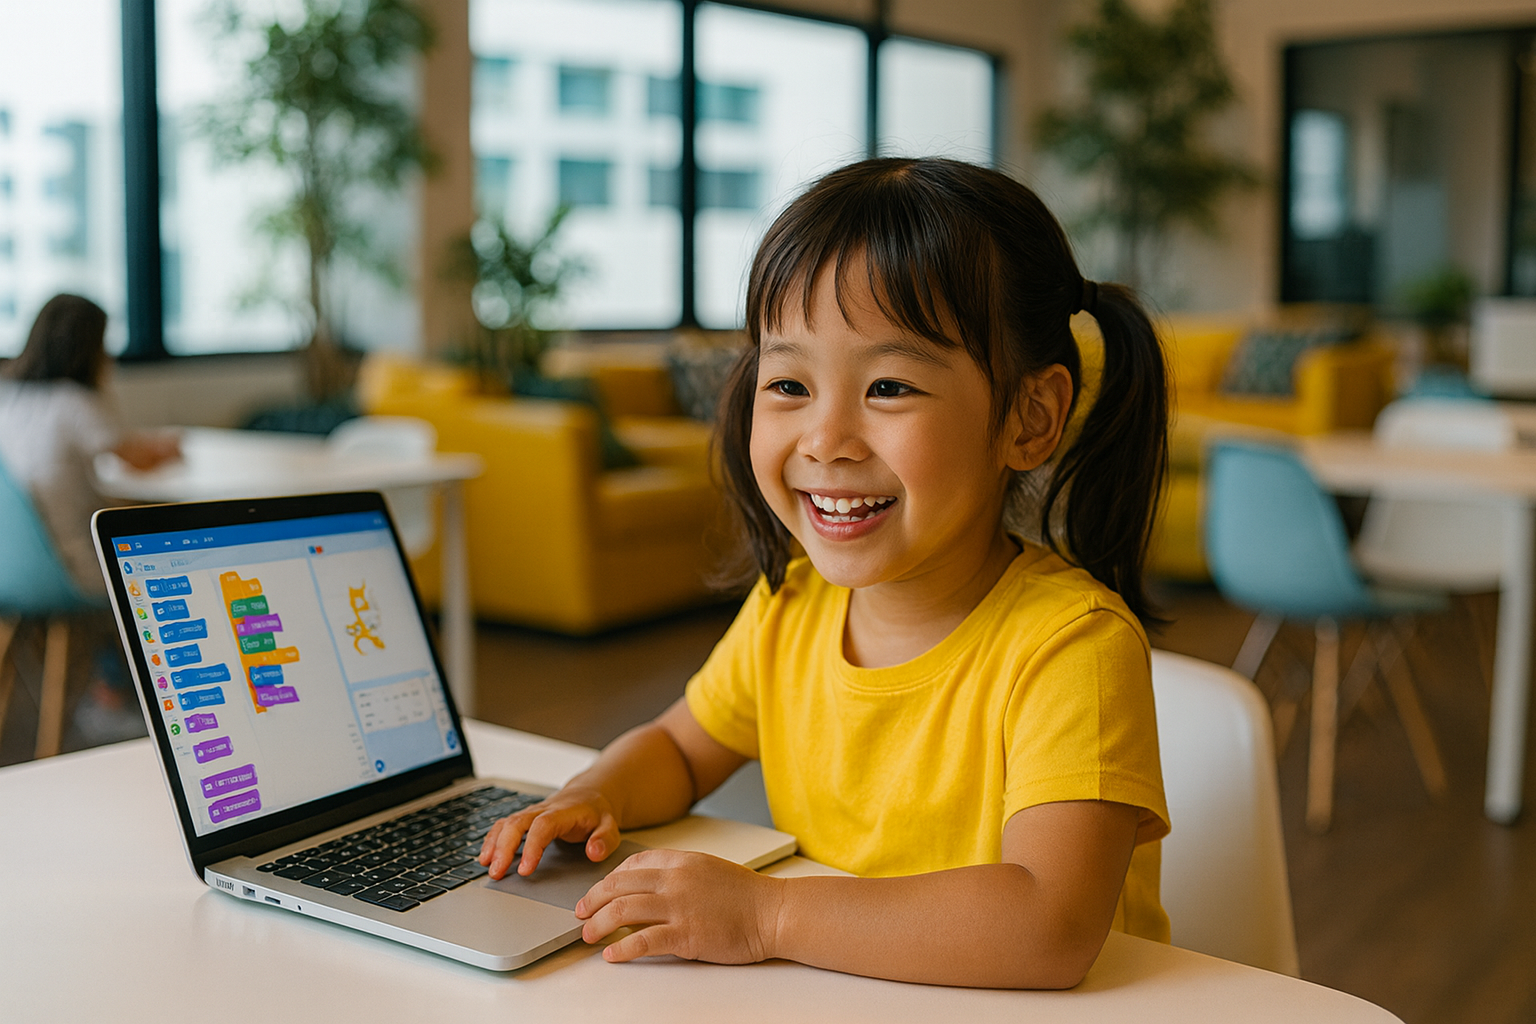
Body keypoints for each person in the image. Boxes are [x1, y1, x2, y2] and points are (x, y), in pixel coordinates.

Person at [478, 158, 1171, 989]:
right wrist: (596, 792)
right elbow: (678, 747)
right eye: (789, 384)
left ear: (1029, 419)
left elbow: (1046, 925)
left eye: (887, 385)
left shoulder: (1072, 651)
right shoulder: (791, 606)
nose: (826, 438)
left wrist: (765, 914)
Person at [0, 294, 179, 594]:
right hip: (69, 569)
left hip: (10, 566)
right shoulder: (74, 402)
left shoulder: (8, 396)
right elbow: (137, 459)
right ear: (89, 348)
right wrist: (168, 447)